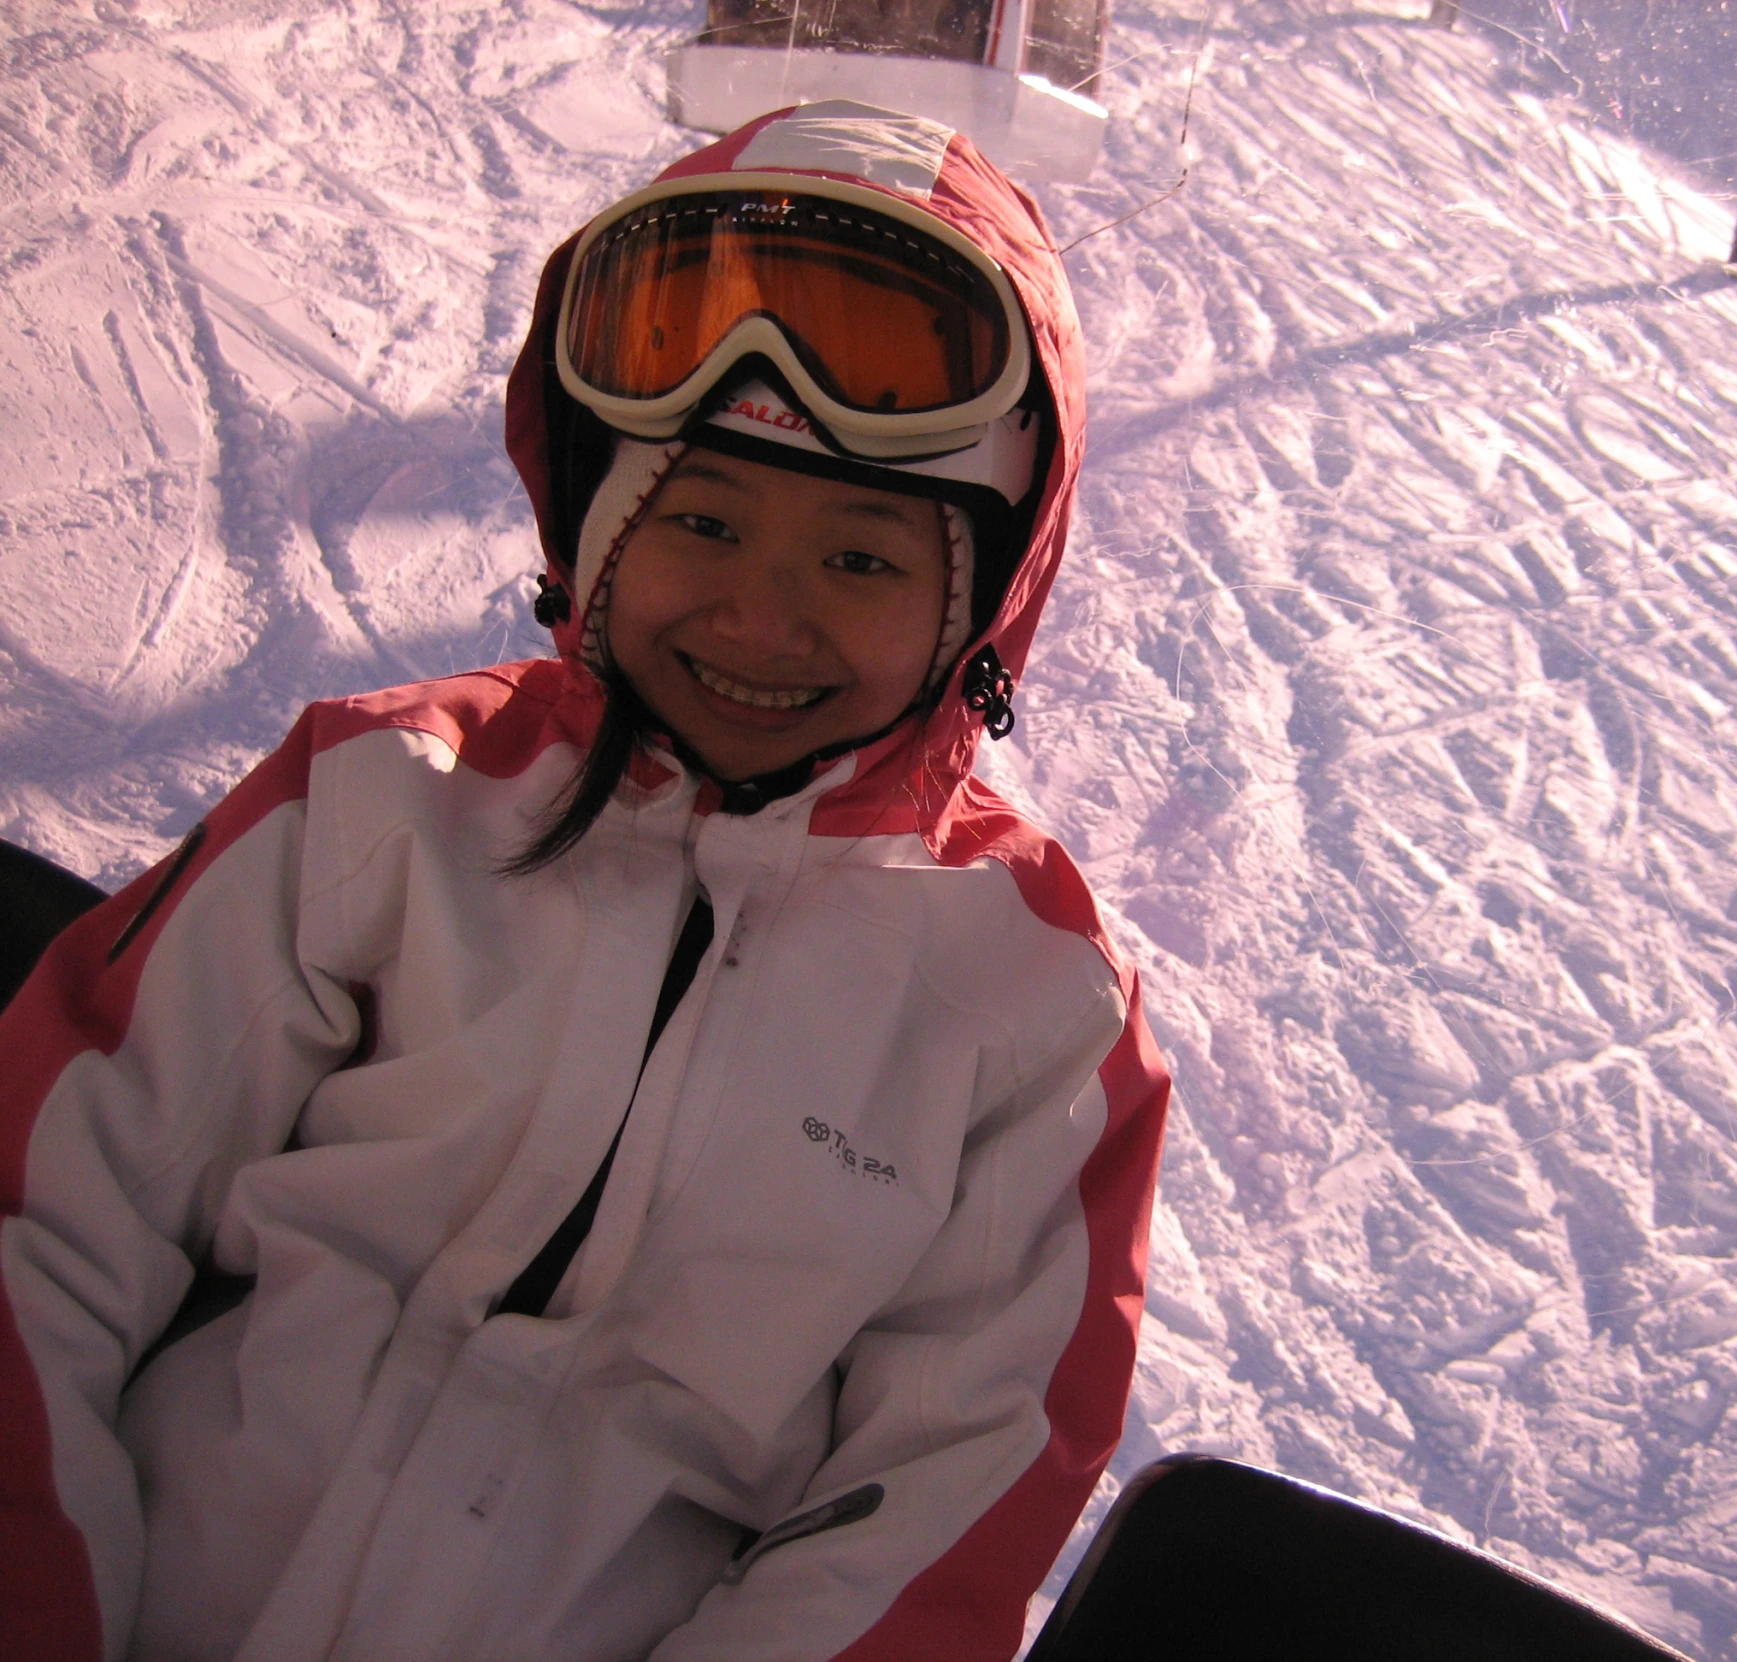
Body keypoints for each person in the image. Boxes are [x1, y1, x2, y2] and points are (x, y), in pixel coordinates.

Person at [0, 101, 1171, 1662]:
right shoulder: (390, 802)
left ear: (980, 606)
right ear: (596, 524)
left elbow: (938, 1511)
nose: (763, 621)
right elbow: (51, 1211)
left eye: (863, 560)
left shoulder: (1030, 1012)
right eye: (701, 520)